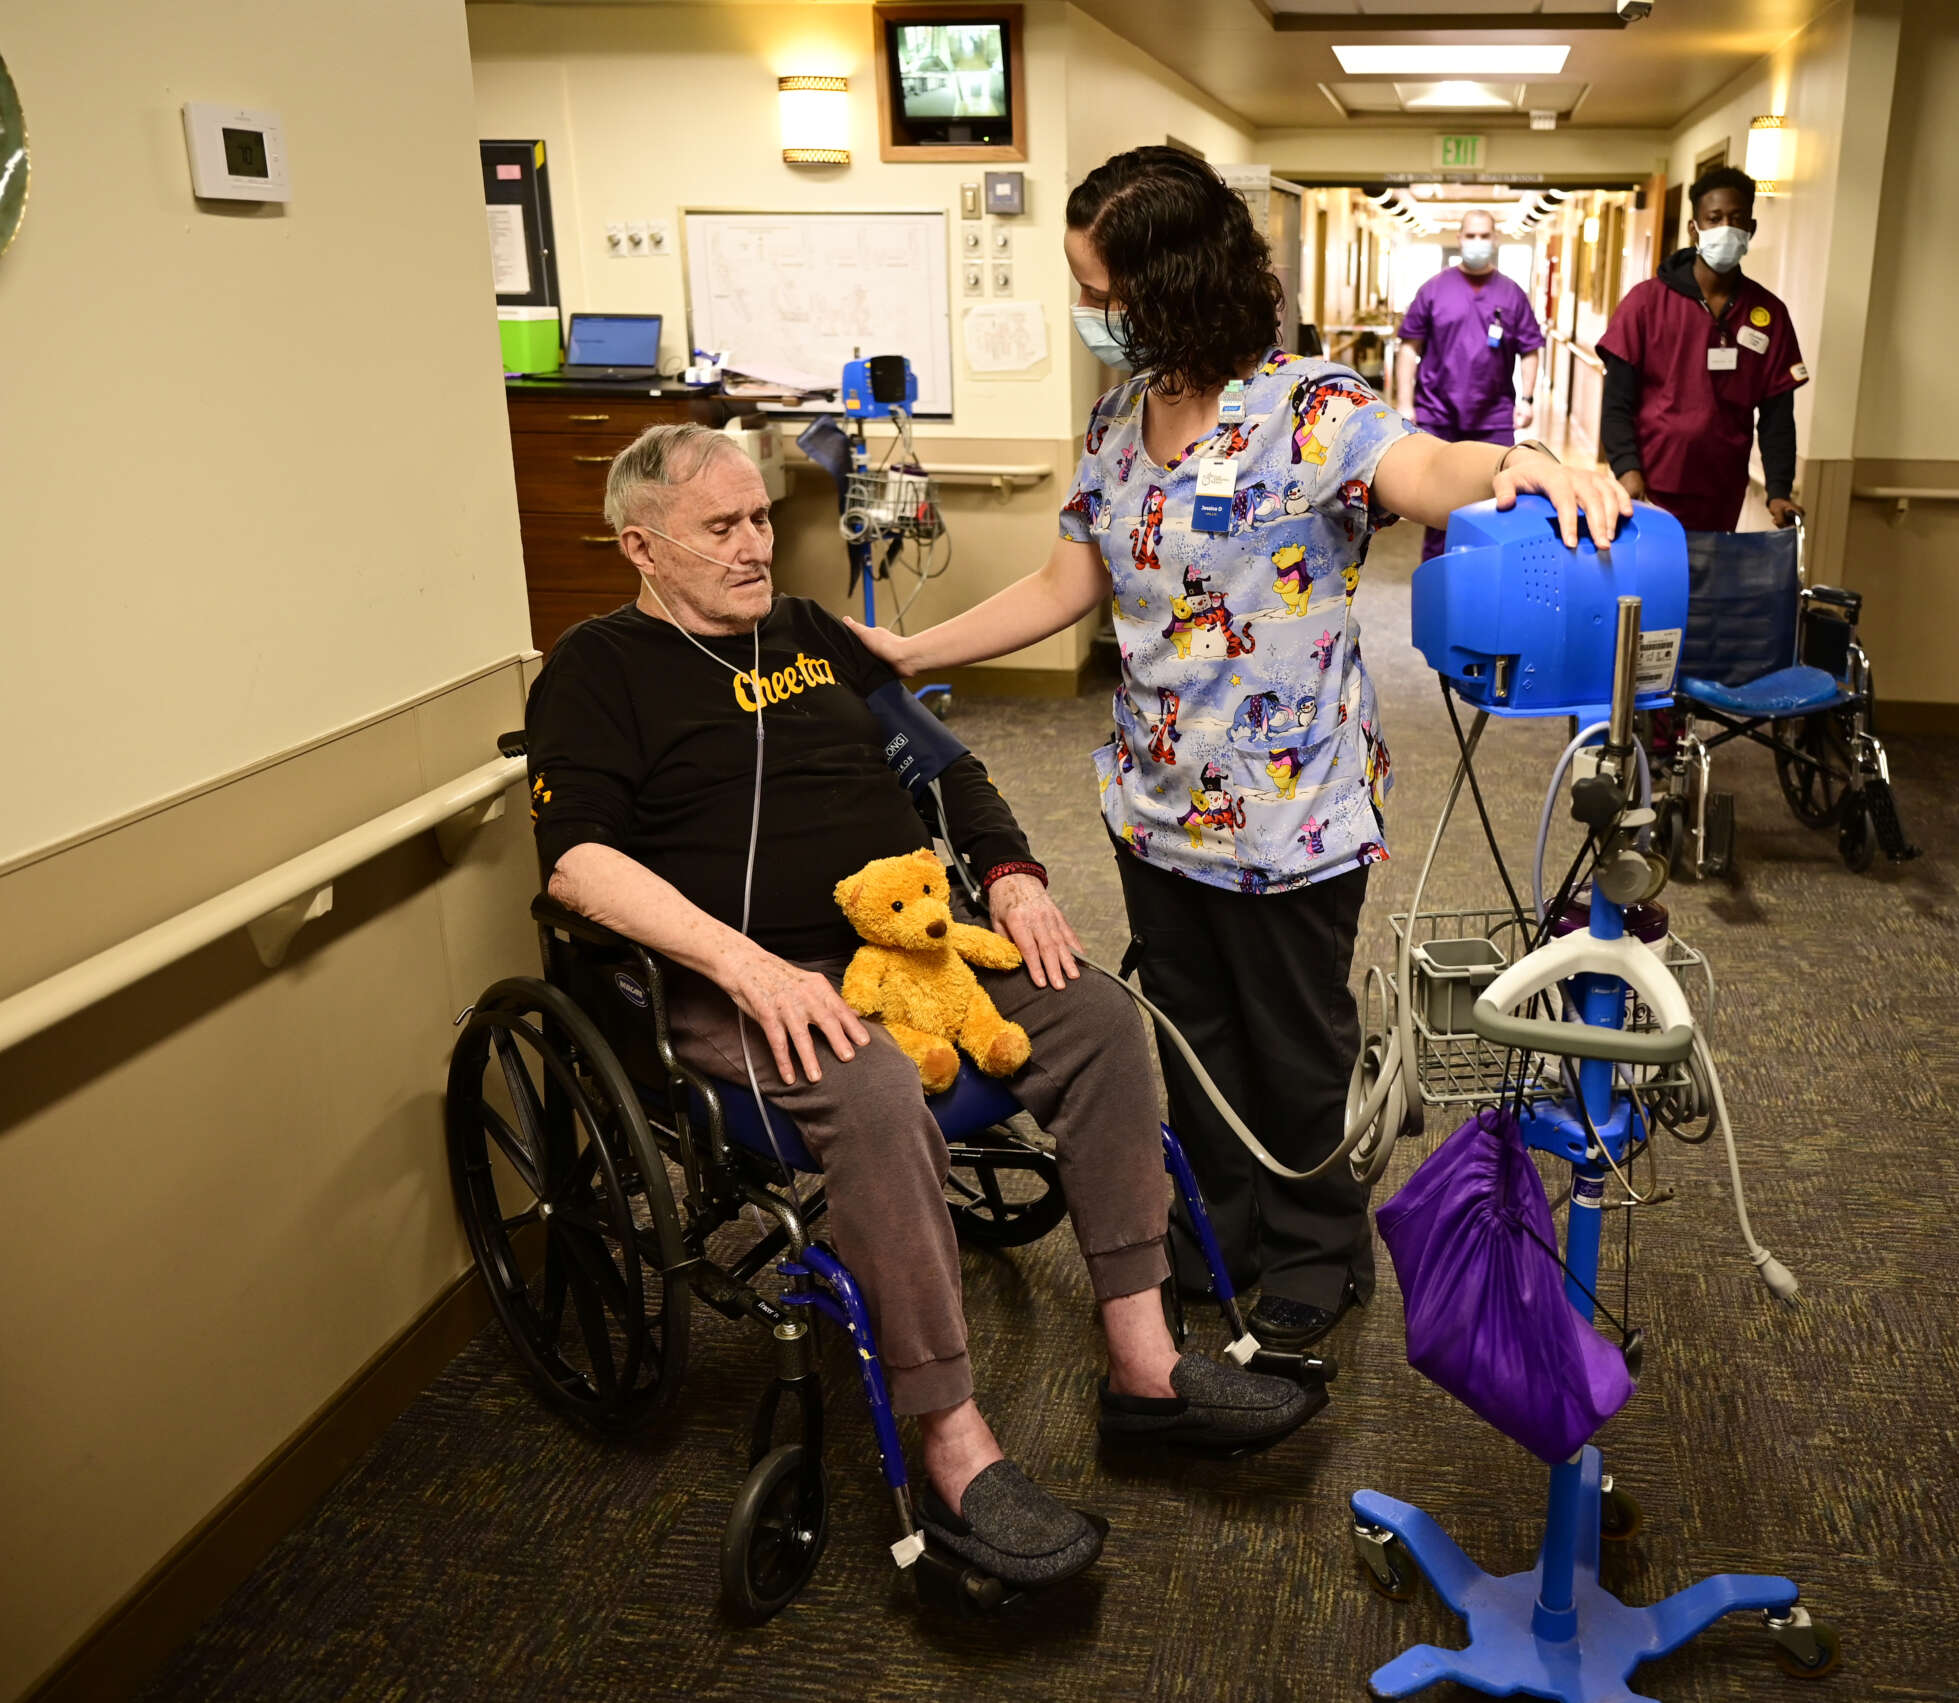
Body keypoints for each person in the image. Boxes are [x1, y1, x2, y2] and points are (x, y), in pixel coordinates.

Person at [854, 147, 1629, 1352]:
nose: (1090, 317)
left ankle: (1319, 1249)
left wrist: (1519, 464)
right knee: (1192, 1039)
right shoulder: (1120, 419)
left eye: (1101, 292)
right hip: (1151, 804)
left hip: (1291, 814)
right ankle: (1221, 1229)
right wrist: (909, 650)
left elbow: (1425, 467)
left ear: (1171, 284)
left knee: (1294, 1047)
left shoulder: (1310, 405)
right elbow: (1071, 577)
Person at [526, 423, 1324, 1590]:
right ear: (642, 546)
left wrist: (1008, 873)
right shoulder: (595, 670)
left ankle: (1145, 1362)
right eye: (724, 528)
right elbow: (575, 862)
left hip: (921, 941)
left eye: (761, 519)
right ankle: (950, 1435)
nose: (758, 546)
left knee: (1098, 1012)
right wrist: (745, 966)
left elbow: (946, 767)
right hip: (749, 983)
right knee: (876, 1082)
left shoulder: (808, 634)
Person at [1597, 164, 1808, 537]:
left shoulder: (1768, 314)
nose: (1726, 228)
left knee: (1707, 590)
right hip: (1651, 487)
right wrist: (1627, 469)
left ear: (1751, 230)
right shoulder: (1645, 304)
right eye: (1714, 218)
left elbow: (1778, 417)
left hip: (1722, 491)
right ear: (1695, 228)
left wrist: (1777, 490)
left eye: (1737, 219)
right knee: (1653, 590)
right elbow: (1617, 403)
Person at [1394, 208, 1546, 559]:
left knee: (1499, 503)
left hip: (1493, 417)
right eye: (1471, 235)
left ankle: (1487, 578)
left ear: (1494, 240)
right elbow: (1408, 347)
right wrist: (1405, 402)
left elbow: (1531, 349)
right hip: (1438, 414)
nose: (1477, 242)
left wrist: (1526, 398)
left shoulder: (1511, 294)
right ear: (1460, 238)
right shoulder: (1434, 289)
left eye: (1484, 236)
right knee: (1438, 509)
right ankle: (1439, 577)